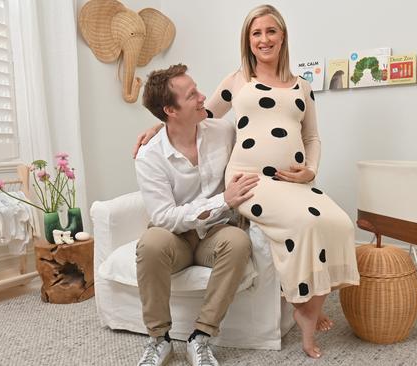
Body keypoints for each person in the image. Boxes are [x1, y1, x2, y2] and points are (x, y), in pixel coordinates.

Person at [133, 5, 359, 359]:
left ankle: (308, 305)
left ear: (283, 36)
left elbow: (312, 137)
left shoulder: (302, 86)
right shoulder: (238, 81)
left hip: (293, 184)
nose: (264, 39)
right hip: (250, 183)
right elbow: (195, 113)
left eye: (271, 31)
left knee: (340, 224)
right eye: (256, 33)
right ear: (248, 41)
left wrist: (311, 170)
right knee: (305, 222)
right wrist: (157, 127)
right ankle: (302, 309)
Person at [134, 64, 259, 366]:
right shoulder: (150, 155)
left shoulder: (224, 132)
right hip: (174, 238)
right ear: (170, 110)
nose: (204, 97)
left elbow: (262, 134)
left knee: (238, 241)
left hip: (215, 234)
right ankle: (159, 340)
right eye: (192, 95)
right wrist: (222, 201)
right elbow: (165, 217)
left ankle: (201, 337)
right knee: (149, 244)